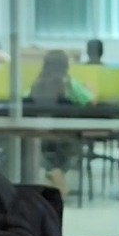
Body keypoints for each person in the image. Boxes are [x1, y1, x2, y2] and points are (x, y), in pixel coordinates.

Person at [28, 49, 93, 193]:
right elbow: (89, 101)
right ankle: (58, 173)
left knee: (48, 151)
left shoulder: (36, 85)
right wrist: (89, 89)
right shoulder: (70, 84)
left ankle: (53, 172)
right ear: (66, 66)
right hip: (67, 137)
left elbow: (27, 101)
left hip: (40, 135)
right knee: (70, 148)